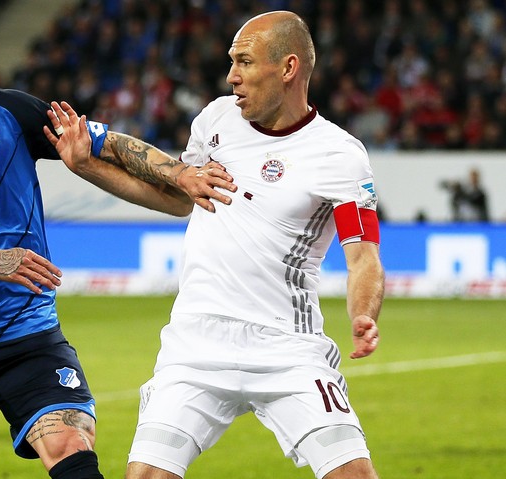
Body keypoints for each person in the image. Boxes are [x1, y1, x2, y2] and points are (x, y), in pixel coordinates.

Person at [0, 2, 232, 478]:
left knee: (68, 440)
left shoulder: (6, 112)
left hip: (24, 333)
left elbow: (105, 143)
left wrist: (180, 175)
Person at [46, 10, 385, 479]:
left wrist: (363, 313)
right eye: (232, 62)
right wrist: (87, 166)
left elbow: (363, 254)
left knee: (354, 476)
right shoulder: (216, 119)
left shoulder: (338, 155)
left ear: (287, 68)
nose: (232, 77)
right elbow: (178, 199)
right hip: (196, 343)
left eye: (245, 62)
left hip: (286, 347)